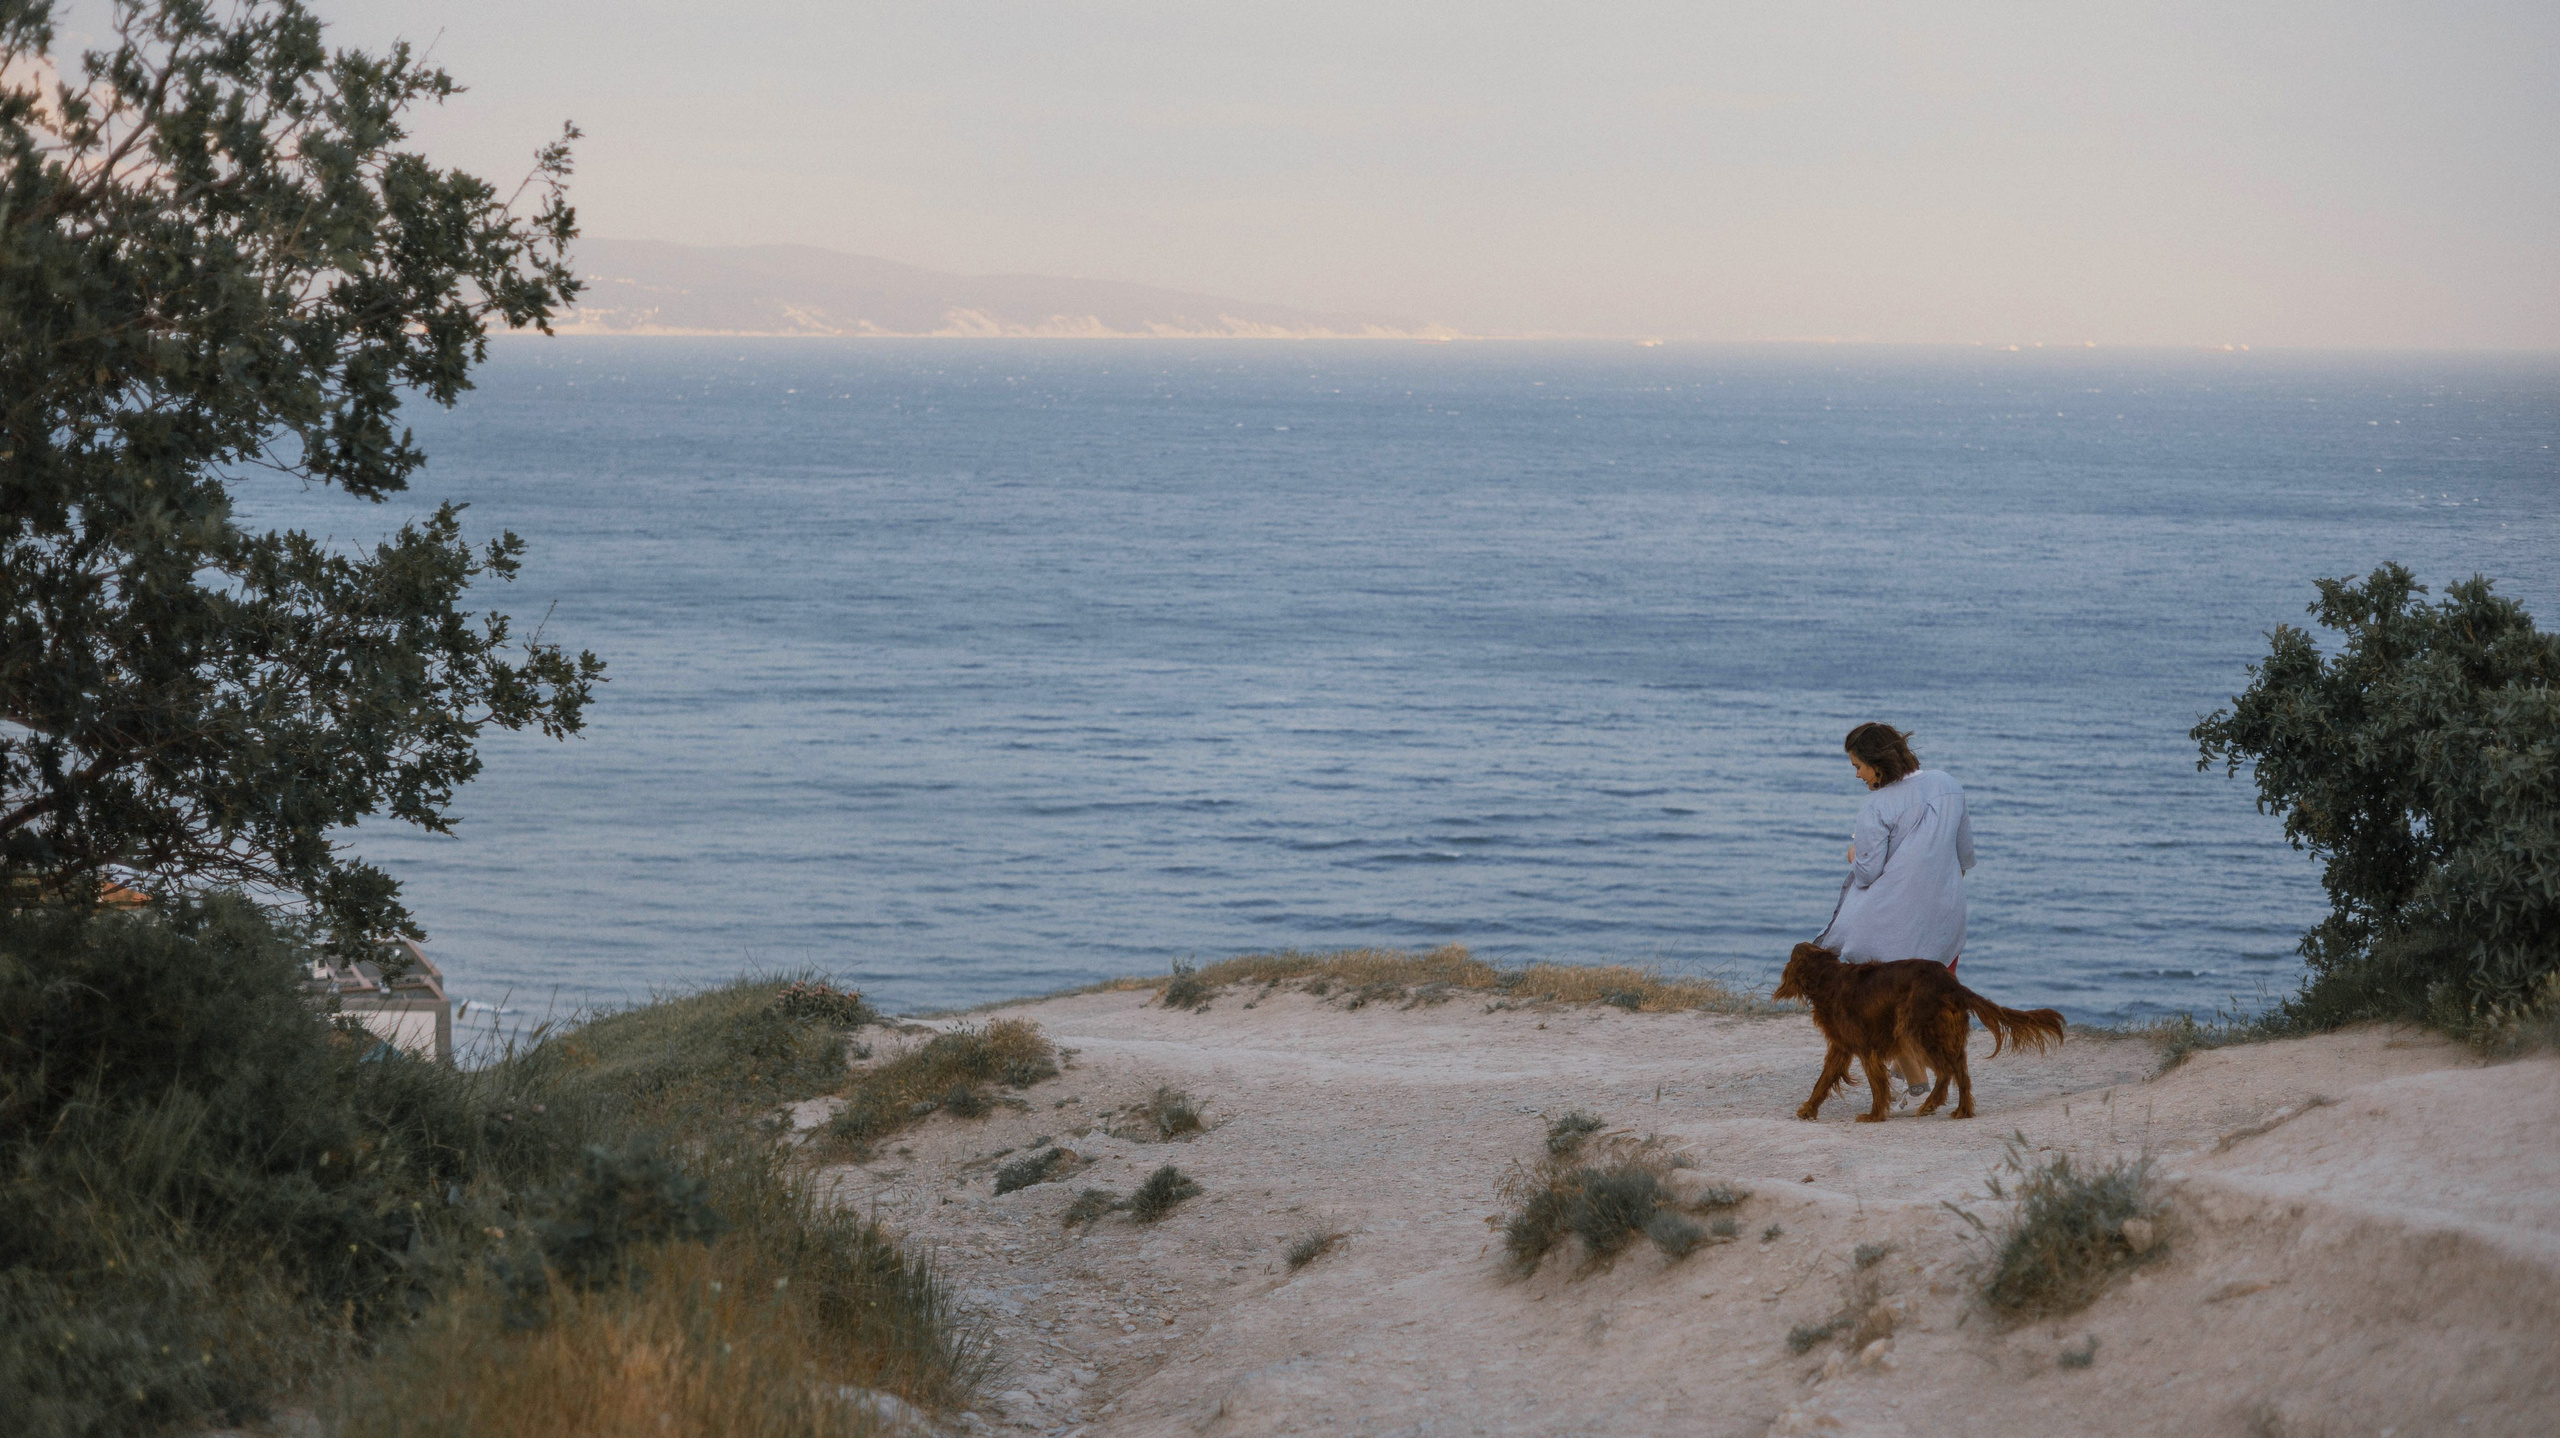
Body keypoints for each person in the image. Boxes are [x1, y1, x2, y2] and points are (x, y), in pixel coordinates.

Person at [1814, 722, 1973, 1093]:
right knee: (1939, 996)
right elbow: (1964, 854)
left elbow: (1867, 874)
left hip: (1894, 919)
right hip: (1945, 915)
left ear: (1877, 765)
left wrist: (1854, 854)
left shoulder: (1877, 805)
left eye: (1858, 766)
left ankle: (1915, 1076)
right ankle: (1938, 1076)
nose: (1856, 774)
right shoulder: (1949, 784)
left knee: (1880, 996)